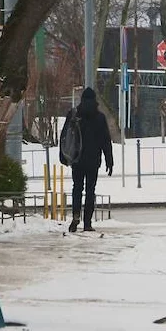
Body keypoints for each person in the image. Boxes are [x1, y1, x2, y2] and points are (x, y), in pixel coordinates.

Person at [64, 87, 113, 233]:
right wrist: (109, 160)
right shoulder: (100, 117)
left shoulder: (73, 115)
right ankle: (87, 223)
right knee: (90, 190)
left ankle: (75, 216)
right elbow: (106, 141)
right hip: (93, 161)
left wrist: (64, 156)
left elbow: (65, 138)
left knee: (77, 188)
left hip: (77, 159)